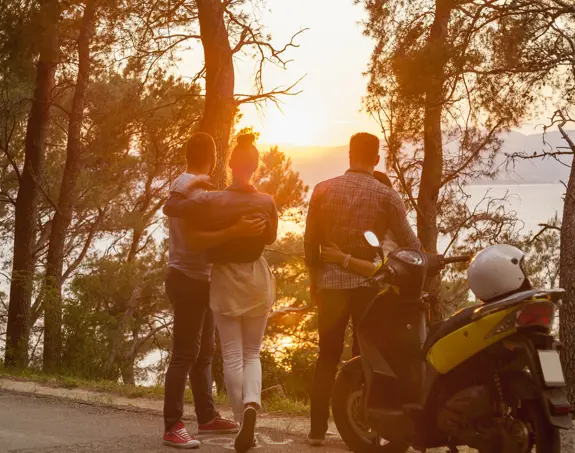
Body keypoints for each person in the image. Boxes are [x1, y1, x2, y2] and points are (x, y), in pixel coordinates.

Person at [163, 134, 278, 453]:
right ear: (214, 158)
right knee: (186, 354)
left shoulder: (187, 183)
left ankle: (207, 415)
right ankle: (172, 425)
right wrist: (236, 231)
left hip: (204, 278)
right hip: (189, 277)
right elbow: (196, 238)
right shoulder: (196, 187)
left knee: (205, 353)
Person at [304, 133, 420, 446]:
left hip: (329, 286)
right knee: (365, 358)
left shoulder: (322, 190)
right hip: (369, 289)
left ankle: (316, 431)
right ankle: (363, 425)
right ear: (377, 159)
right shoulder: (386, 196)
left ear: (350, 154)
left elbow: (310, 243)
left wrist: (315, 281)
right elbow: (411, 246)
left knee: (327, 356)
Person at [319, 171, 398, 358]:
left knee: (363, 352)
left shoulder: (390, 231)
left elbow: (380, 269)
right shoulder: (372, 226)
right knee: (334, 352)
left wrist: (342, 258)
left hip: (382, 299)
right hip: (358, 292)